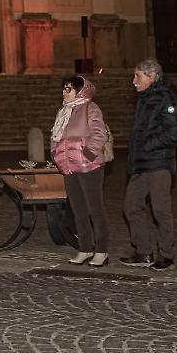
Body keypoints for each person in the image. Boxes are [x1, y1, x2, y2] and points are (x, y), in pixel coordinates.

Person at [120, 58, 177, 271]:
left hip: (158, 164)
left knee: (160, 209)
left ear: (153, 76)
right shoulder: (143, 99)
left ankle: (167, 254)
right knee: (131, 206)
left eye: (138, 76)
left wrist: (148, 145)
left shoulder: (164, 98)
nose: (134, 80)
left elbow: (172, 133)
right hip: (140, 164)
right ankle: (143, 251)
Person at [50, 76, 110, 267]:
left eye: (69, 89)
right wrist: (56, 155)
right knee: (78, 211)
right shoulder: (63, 112)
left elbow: (99, 133)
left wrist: (88, 154)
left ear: (80, 90)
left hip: (88, 167)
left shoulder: (89, 107)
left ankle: (101, 250)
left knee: (95, 209)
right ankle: (84, 248)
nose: (64, 92)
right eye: (63, 89)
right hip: (69, 168)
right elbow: (55, 137)